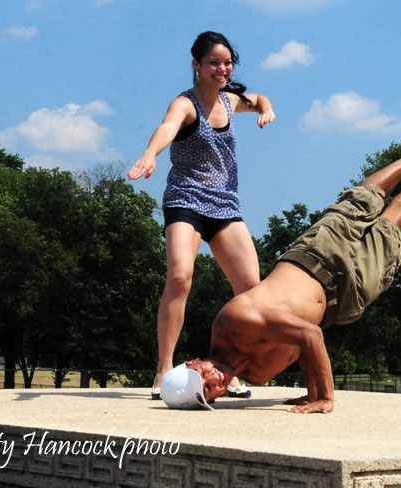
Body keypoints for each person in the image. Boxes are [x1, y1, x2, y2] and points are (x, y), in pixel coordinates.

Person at [160, 121, 401, 413]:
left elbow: (308, 334)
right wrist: (311, 393)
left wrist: (324, 397)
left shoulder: (232, 324)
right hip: (341, 301)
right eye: (209, 392)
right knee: (389, 230)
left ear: (193, 361)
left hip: (313, 259)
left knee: (361, 201)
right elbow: (301, 347)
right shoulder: (256, 376)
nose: (213, 381)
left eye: (201, 375)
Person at [127, 32, 275, 400]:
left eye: (227, 63)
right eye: (213, 63)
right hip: (186, 200)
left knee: (251, 289)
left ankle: (229, 369)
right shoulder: (185, 104)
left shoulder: (231, 100)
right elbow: (167, 127)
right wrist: (150, 154)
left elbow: (259, 98)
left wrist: (266, 109)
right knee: (180, 277)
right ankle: (164, 369)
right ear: (196, 64)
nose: (222, 69)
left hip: (225, 204)